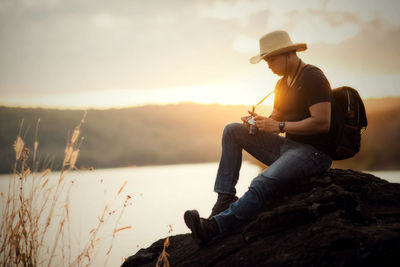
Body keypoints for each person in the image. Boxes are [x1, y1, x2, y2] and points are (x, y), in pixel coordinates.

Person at [184, 30, 334, 245]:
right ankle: (225, 198)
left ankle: (215, 227)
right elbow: (276, 118)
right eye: (266, 60)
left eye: (271, 59)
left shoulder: (312, 76)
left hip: (314, 154)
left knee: (261, 181)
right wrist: (260, 123)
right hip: (288, 148)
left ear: (288, 54)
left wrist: (279, 125)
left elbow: (322, 122)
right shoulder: (282, 84)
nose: (268, 65)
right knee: (232, 130)